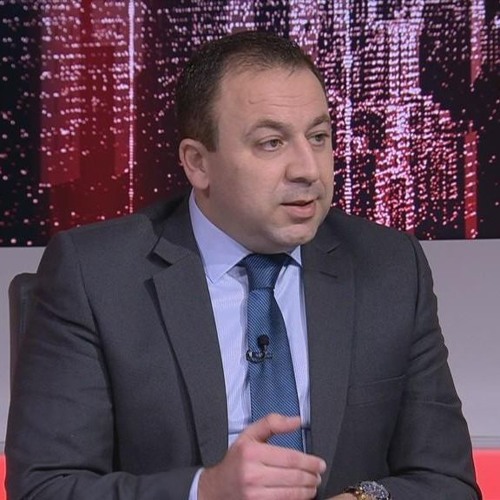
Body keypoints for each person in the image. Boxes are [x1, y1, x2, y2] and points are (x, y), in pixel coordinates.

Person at [6, 31, 480, 500]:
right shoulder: (97, 276)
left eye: (319, 137)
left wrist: (363, 499)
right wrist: (204, 491)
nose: (308, 169)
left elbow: (447, 481)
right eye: (271, 143)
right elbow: (45, 487)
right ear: (197, 163)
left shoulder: (390, 268)